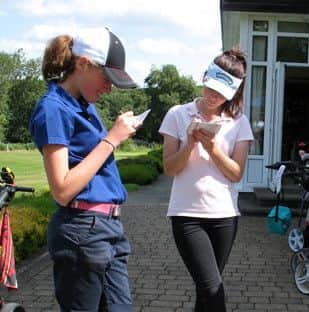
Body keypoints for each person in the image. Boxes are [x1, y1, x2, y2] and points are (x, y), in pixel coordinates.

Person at [29, 27, 138, 311]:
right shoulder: (53, 109)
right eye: (106, 78)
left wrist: (111, 138)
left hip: (107, 227)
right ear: (83, 64)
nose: (109, 88)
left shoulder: (82, 107)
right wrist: (112, 139)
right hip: (83, 229)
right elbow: (62, 190)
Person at [159, 48, 253, 312]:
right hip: (186, 214)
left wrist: (212, 148)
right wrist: (190, 144)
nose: (213, 97)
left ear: (233, 93)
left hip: (224, 215)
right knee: (212, 288)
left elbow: (236, 173)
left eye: (221, 94)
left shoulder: (239, 122)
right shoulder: (178, 114)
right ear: (204, 78)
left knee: (206, 291)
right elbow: (169, 168)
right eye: (210, 88)